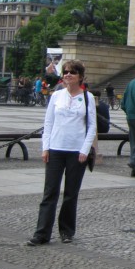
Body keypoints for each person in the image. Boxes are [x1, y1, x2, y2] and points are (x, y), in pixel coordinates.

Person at [26, 60, 96, 246]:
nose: (67, 75)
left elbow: (91, 127)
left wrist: (85, 149)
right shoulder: (56, 96)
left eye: (72, 72)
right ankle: (41, 233)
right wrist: (45, 147)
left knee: (71, 193)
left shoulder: (87, 98)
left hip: (76, 151)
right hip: (56, 149)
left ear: (80, 76)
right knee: (50, 192)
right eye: (65, 72)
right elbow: (48, 123)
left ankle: (66, 231)